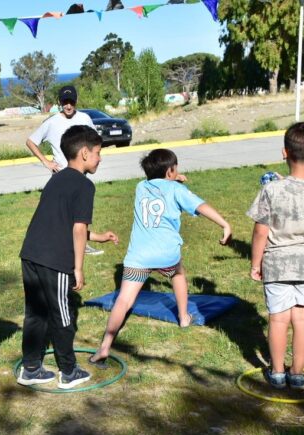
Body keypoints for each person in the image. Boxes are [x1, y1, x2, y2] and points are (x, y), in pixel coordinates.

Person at [90, 149, 232, 365]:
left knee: (124, 300)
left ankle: (104, 346)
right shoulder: (177, 189)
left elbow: (158, 182)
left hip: (139, 256)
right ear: (170, 171)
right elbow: (200, 206)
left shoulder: (141, 187)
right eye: (176, 169)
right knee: (178, 275)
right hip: (166, 255)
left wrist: (175, 178)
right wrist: (224, 224)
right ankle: (184, 318)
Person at [18, 125, 119, 389]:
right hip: (55, 260)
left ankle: (30, 369)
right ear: (84, 153)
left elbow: (69, 224)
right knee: (62, 315)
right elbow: (76, 229)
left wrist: (99, 237)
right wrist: (78, 268)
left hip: (31, 254)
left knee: (35, 314)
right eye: (98, 153)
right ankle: (69, 371)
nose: (100, 158)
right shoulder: (85, 186)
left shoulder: (58, 178)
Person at [247, 122, 304, 389]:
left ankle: (277, 373)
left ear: (284, 152)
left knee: (278, 319)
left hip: (276, 264)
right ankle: (297, 374)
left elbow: (260, 232)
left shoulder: (272, 189)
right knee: (302, 319)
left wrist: (256, 263)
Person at [26, 85, 104, 256]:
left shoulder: (85, 118)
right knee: (64, 211)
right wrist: (46, 161)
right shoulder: (52, 121)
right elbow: (31, 141)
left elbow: (95, 141)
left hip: (81, 172)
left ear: (76, 101)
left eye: (71, 102)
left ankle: (82, 243)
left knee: (81, 208)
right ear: (60, 103)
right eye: (64, 102)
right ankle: (67, 242)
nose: (68, 106)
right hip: (61, 174)